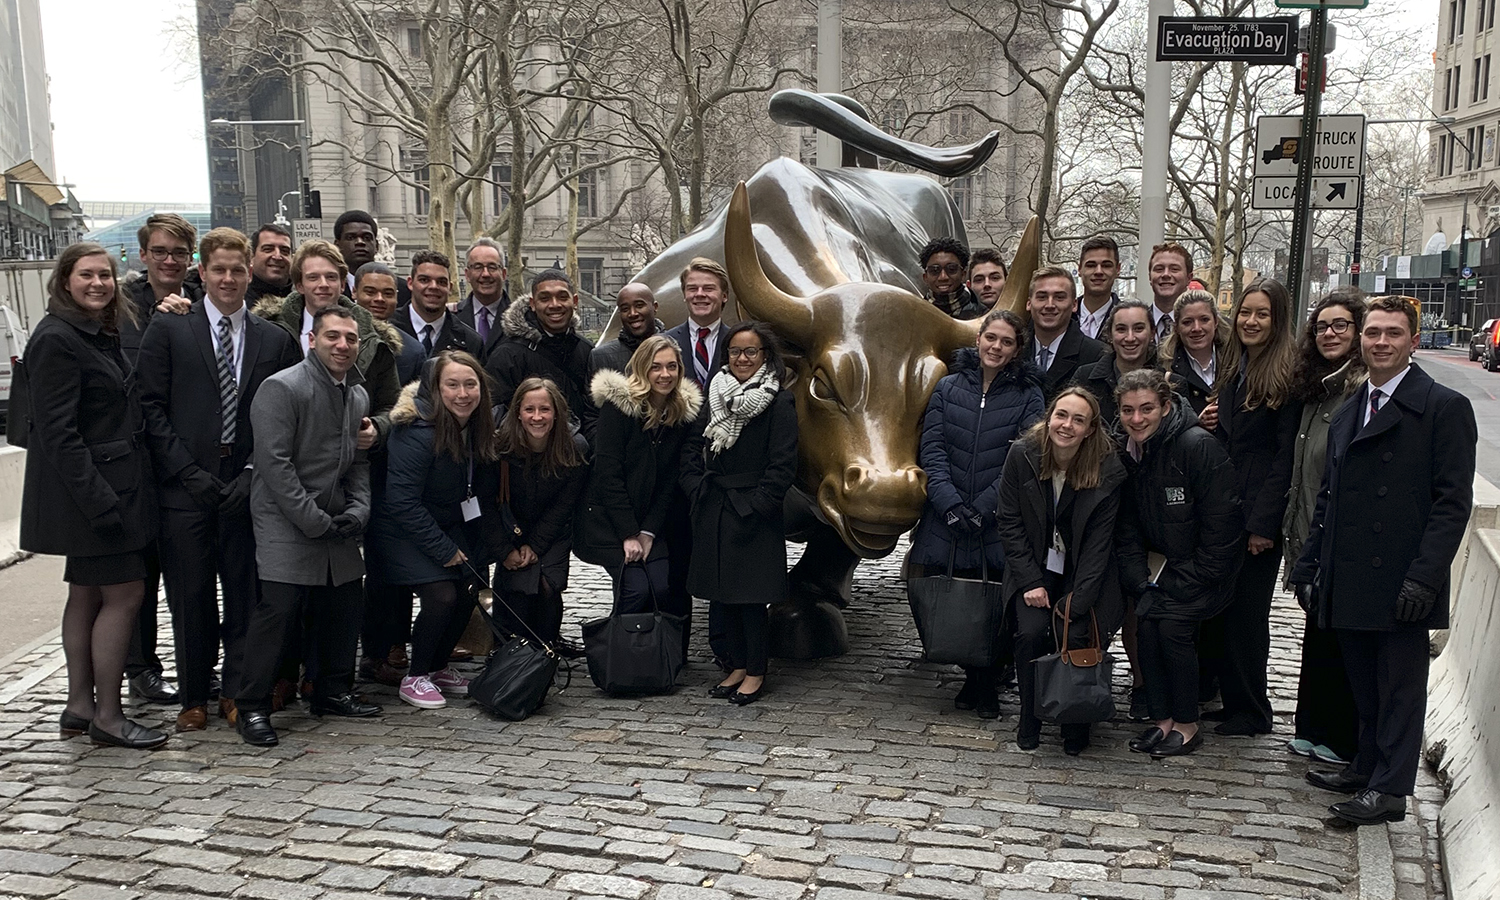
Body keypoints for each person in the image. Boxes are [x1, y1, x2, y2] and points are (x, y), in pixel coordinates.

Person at [1291, 297, 1476, 826]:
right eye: (1372, 332)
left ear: (1413, 342)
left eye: (1393, 333)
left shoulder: (1444, 408)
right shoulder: (1351, 406)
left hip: (1402, 578)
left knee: (1399, 690)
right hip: (1349, 576)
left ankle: (1391, 789)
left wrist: (1424, 577)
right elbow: (1329, 496)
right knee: (1364, 686)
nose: (1380, 342)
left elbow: (1452, 504)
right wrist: (1308, 567)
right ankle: (1366, 765)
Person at [136, 227, 302, 733]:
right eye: (219, 269)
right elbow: (149, 406)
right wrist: (186, 472)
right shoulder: (168, 329)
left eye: (237, 270)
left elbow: (283, 417)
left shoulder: (274, 339)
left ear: (248, 273)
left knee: (244, 593)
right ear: (201, 273)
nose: (228, 278)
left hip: (246, 487)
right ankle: (193, 695)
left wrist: (253, 472)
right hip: (183, 487)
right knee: (190, 597)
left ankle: (236, 690)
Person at [19, 243, 166, 750]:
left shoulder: (95, 332)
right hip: (97, 493)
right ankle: (108, 714)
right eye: (87, 275)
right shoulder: (57, 339)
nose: (99, 284)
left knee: (85, 595)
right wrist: (101, 502)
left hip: (106, 486)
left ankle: (80, 706)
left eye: (105, 275)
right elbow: (57, 434)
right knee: (125, 595)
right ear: (65, 280)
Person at [235, 306, 382, 746]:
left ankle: (332, 690)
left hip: (333, 518)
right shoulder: (282, 388)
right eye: (333, 336)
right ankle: (252, 706)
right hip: (285, 519)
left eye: (350, 338)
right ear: (312, 340)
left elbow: (357, 461)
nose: (342, 345)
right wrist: (312, 519)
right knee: (278, 612)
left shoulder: (356, 395)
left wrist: (359, 509)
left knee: (344, 604)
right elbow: (274, 465)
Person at [907, 308, 1045, 718]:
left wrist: (985, 508)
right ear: (979, 339)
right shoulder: (947, 387)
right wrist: (948, 503)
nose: (996, 347)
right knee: (955, 594)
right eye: (991, 338)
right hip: (946, 513)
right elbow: (931, 447)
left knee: (993, 601)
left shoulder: (1028, 396)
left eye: (1006, 342)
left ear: (1017, 349)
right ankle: (970, 676)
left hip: (998, 515)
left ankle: (985, 683)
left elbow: (1022, 458)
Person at [1115, 369, 1242, 759]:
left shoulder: (1197, 447)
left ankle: (1187, 724)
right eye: (1128, 411)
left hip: (1206, 572)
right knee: (1148, 628)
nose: (1137, 419)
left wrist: (1190, 577)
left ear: (1166, 406)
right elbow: (1130, 525)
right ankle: (1162, 719)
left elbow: (1223, 527)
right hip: (1162, 572)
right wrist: (1139, 577)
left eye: (1147, 409)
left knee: (1171, 629)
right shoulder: (1134, 451)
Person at [365, 351, 500, 709]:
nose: (462, 393)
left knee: (471, 585)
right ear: (434, 389)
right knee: (442, 594)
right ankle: (416, 675)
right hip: (400, 530)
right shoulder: (416, 432)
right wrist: (444, 549)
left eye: (470, 384)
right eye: (452, 385)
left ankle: (438, 667)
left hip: (447, 521)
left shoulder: (474, 426)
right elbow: (401, 502)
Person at [997, 387, 1125, 755]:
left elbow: (1100, 543)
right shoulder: (1023, 454)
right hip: (1033, 568)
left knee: (1078, 631)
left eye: (1078, 420)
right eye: (1061, 415)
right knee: (1032, 634)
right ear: (1049, 416)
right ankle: (1030, 715)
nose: (1067, 425)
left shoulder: (1107, 467)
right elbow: (1009, 521)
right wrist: (1030, 582)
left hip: (1085, 571)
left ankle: (1076, 719)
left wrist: (1078, 601)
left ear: (1090, 429)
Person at [1199, 277, 1299, 737]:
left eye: (1262, 314)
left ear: (1277, 321)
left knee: (1248, 619)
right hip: (1229, 511)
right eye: (1245, 312)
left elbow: (1284, 460)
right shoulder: (1237, 370)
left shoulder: (1285, 377)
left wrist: (1264, 525)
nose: (1251, 321)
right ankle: (1235, 701)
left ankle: (1253, 711)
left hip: (1257, 518)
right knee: (1225, 612)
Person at [683, 322, 799, 706]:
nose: (743, 358)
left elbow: (783, 465)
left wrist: (756, 506)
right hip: (715, 506)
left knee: (750, 599)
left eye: (751, 352)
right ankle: (734, 665)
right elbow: (691, 449)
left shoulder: (778, 401)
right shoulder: (713, 393)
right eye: (735, 351)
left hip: (752, 513)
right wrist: (696, 488)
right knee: (722, 596)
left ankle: (755, 671)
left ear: (765, 356)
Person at [120, 212, 203, 706]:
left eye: (178, 252)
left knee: (188, 576)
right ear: (144, 254)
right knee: (141, 573)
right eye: (160, 252)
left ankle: (196, 667)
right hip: (135, 459)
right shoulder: (121, 305)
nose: (169, 260)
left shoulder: (202, 300)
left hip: (185, 454)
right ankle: (141, 667)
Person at [1281, 290, 1367, 767]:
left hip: (1336, 532)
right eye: (1322, 327)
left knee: (1339, 638)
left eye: (1340, 326)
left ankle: (1341, 736)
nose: (1329, 334)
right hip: (1307, 529)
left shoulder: (1357, 391)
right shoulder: (1316, 388)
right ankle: (1313, 728)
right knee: (1317, 631)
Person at [577, 335, 703, 611]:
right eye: (656, 367)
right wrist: (629, 534)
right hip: (610, 519)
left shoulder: (679, 412)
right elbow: (608, 474)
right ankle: (619, 649)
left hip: (649, 520)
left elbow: (670, 480)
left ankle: (652, 652)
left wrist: (647, 531)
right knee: (635, 590)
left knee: (661, 586)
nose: (665, 374)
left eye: (672, 366)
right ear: (642, 368)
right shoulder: (618, 408)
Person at [253, 240, 403, 451]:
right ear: (299, 285)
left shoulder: (373, 340)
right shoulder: (271, 333)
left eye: (331, 277)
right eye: (313, 277)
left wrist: (377, 428)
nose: (323, 284)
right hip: (285, 452)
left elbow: (392, 404)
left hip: (348, 459)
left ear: (343, 285)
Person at [489, 378, 589, 650]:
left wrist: (535, 546)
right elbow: (489, 504)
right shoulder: (499, 448)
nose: (537, 417)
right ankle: (509, 649)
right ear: (518, 412)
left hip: (552, 533)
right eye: (529, 409)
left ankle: (546, 647)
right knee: (518, 588)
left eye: (544, 409)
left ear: (556, 412)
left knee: (547, 585)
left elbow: (564, 505)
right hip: (509, 530)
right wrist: (506, 549)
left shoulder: (575, 448)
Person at [486, 269, 597, 440]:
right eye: (545, 298)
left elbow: (593, 412)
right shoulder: (507, 355)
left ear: (574, 301)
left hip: (579, 456)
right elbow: (494, 414)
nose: (554, 305)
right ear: (532, 303)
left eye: (562, 297)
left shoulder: (587, 351)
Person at [1074, 299, 1159, 434]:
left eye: (1138, 329)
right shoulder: (1085, 378)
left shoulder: (1168, 381)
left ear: (1152, 333)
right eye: (1121, 329)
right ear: (1109, 335)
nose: (1130, 338)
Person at [390, 249, 484, 364]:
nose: (434, 287)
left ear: (450, 287)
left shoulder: (470, 341)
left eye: (441, 282)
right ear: (410, 283)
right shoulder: (388, 329)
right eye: (424, 280)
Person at [1025, 265, 1103, 400]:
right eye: (1042, 297)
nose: (1049, 305)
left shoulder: (1096, 355)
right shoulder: (1013, 352)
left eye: (1059, 297)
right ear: (1029, 304)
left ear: (1074, 305)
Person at [663, 258, 732, 392]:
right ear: (684, 295)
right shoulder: (663, 342)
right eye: (692, 289)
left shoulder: (737, 343)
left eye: (708, 288)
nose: (700, 294)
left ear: (724, 296)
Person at [352, 261, 425, 385]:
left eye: (388, 294)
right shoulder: (337, 338)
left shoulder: (413, 351)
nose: (379, 299)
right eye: (370, 292)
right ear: (354, 292)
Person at [1160, 289, 1227, 421]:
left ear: (1216, 322)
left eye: (1204, 319)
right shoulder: (1164, 369)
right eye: (1187, 322)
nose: (1196, 328)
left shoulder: (1236, 361)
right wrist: (1195, 423)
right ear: (1176, 327)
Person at [455, 237, 509, 361]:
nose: (485, 274)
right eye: (478, 267)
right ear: (467, 275)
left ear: (504, 274)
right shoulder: (452, 319)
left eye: (492, 267)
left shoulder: (523, 320)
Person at [591, 283, 663, 376]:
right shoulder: (601, 357)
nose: (633, 313)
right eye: (625, 309)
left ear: (655, 307)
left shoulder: (677, 346)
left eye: (639, 306)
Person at [919, 237, 984, 319]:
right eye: (935, 270)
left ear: (963, 274)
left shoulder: (985, 317)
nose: (943, 277)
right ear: (925, 277)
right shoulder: (913, 316)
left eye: (951, 269)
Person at [1074, 236, 1121, 340]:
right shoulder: (1064, 316)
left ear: (1118, 269)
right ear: (1079, 269)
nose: (1098, 271)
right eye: (1091, 265)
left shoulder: (1126, 319)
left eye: (1106, 265)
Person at [1147, 242, 1193, 343]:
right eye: (1159, 269)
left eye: (1174, 269)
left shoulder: (1204, 329)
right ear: (1150, 277)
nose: (1166, 274)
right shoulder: (1135, 326)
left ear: (1189, 278)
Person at [245, 223, 293, 303]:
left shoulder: (305, 302)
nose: (277, 256)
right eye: (268, 249)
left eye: (284, 251)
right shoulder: (237, 303)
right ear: (252, 256)